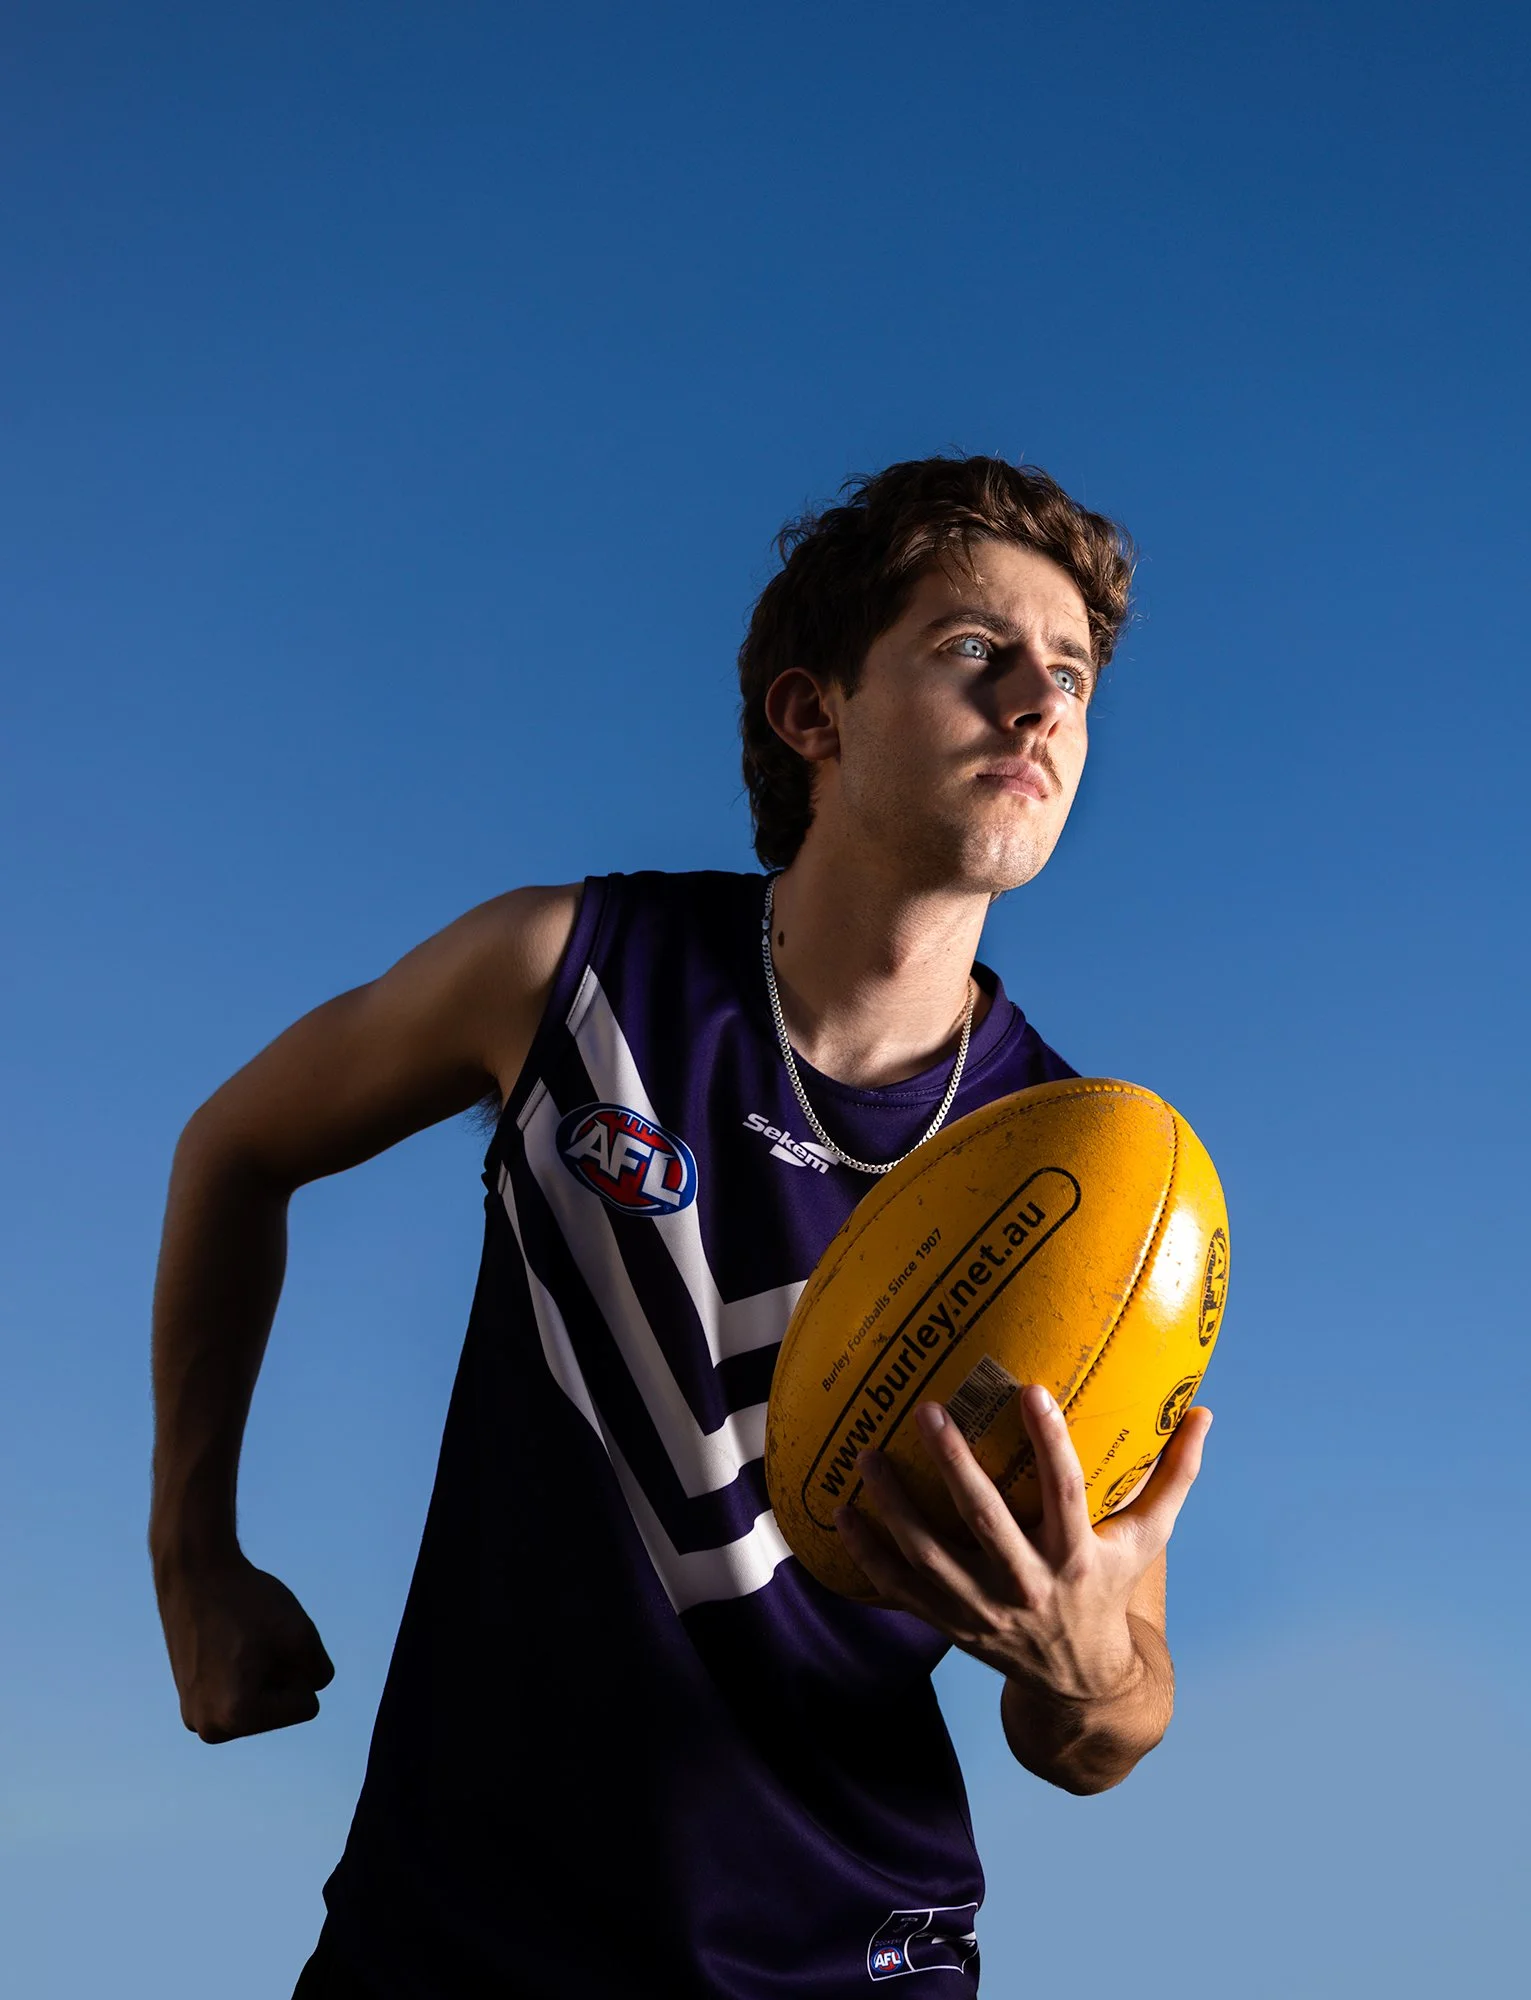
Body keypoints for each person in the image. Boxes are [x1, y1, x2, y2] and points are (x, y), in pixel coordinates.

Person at [150, 455, 1212, 1998]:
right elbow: (234, 1146)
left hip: (844, 1959)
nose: (1040, 706)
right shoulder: (564, 971)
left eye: (1069, 675)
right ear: (812, 714)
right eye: (974, 652)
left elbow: (1106, 1727)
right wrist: (193, 1554)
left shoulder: (1098, 1192)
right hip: (453, 1938)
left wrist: (1086, 1665)